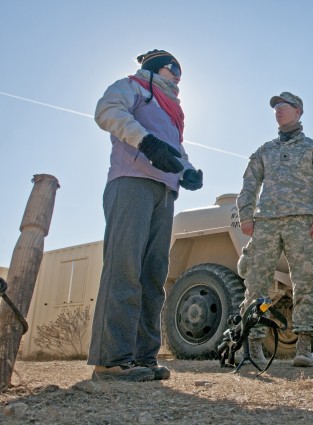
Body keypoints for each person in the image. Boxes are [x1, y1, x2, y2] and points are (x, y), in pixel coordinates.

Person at [89, 49, 203, 381]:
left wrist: (188, 170)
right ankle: (111, 359)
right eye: (173, 68)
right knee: (125, 267)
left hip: (164, 193)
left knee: (154, 275)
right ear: (155, 68)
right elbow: (107, 111)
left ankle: (142, 357)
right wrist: (146, 143)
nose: (178, 75)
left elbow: (176, 149)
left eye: (181, 70)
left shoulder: (173, 110)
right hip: (131, 183)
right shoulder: (133, 86)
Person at [236, 92, 313, 368]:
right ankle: (253, 347)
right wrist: (246, 215)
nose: (278, 111)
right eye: (276, 107)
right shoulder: (264, 151)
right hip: (266, 223)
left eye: (284, 106)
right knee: (256, 284)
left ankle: (304, 347)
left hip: (302, 223)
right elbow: (249, 184)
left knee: (304, 284)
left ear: (298, 111)